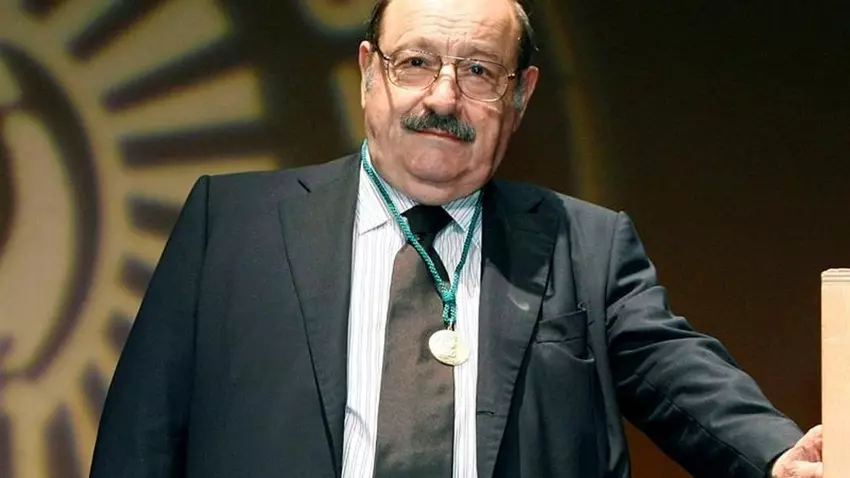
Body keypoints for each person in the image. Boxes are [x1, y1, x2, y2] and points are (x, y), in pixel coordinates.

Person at [90, 0, 824, 477]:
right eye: (415, 63)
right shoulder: (232, 225)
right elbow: (138, 443)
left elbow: (678, 377)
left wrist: (780, 455)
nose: (443, 97)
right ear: (368, 73)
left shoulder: (584, 244)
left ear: (521, 94)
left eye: (478, 71)